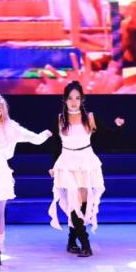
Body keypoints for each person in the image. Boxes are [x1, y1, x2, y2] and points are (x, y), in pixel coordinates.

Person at [0, 94, 53, 271]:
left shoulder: (10, 128)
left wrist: (46, 134)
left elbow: (34, 138)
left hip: (0, 174)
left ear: (3, 111)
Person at [48, 82, 125, 257]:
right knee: (73, 200)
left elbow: (107, 134)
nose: (73, 102)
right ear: (64, 100)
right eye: (70, 98)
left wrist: (118, 126)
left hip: (86, 161)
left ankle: (71, 240)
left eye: (77, 98)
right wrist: (52, 165)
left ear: (82, 99)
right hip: (67, 162)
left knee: (82, 202)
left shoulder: (90, 117)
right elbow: (55, 145)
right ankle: (85, 244)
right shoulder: (60, 119)